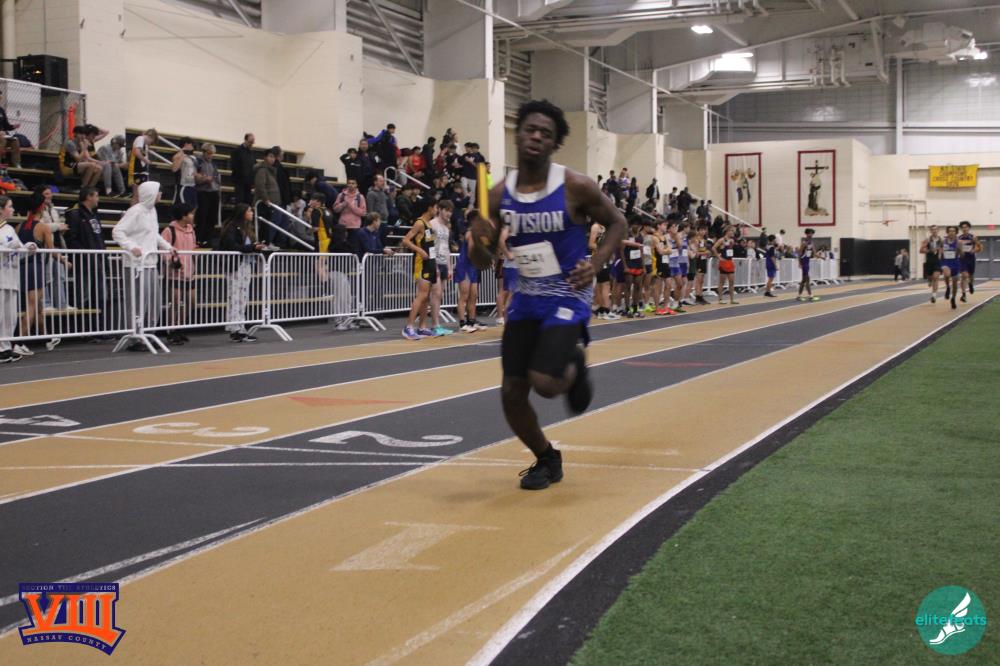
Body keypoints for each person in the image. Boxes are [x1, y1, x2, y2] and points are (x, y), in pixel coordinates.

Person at [478, 99, 625, 490]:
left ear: (555, 143)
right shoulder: (497, 195)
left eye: (545, 133)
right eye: (530, 129)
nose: (536, 137)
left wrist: (596, 263)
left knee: (544, 382)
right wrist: (479, 240)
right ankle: (546, 458)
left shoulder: (575, 186)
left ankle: (573, 363)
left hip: (567, 294)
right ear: (517, 135)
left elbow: (617, 222)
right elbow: (480, 259)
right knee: (512, 392)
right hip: (526, 298)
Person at [112, 181, 178, 349]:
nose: (160, 194)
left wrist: (169, 247)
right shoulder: (135, 211)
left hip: (150, 263)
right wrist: (131, 247)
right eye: (158, 191)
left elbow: (154, 235)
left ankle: (148, 333)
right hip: (135, 265)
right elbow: (117, 231)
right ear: (151, 193)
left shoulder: (152, 211)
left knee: (154, 301)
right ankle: (135, 337)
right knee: (137, 302)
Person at [218, 203, 266, 341]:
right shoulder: (231, 227)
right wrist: (252, 247)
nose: (252, 213)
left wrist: (256, 247)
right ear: (242, 212)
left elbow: (247, 246)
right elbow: (232, 246)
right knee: (234, 296)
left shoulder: (247, 228)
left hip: (246, 265)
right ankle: (235, 328)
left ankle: (241, 327)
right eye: (249, 211)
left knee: (243, 297)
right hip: (235, 265)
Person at [1, 195, 36, 362]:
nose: (13, 209)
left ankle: (5, 347)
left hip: (11, 279)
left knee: (10, 316)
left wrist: (27, 249)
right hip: (0, 279)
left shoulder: (9, 229)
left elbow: (18, 253)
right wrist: (7, 248)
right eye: (10, 206)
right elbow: (7, 249)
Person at [400, 200, 439, 340]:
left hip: (430, 262)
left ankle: (422, 327)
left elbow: (431, 245)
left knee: (426, 297)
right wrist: (420, 250)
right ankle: (408, 327)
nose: (437, 210)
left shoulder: (429, 224)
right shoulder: (419, 223)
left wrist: (435, 264)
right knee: (421, 295)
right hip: (421, 263)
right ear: (429, 208)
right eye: (436, 207)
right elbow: (406, 240)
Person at [161, 203, 197, 345]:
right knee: (175, 302)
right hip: (174, 273)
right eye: (191, 213)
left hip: (189, 272)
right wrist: (172, 261)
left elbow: (192, 248)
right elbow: (163, 249)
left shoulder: (191, 230)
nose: (193, 216)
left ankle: (180, 326)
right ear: (183, 216)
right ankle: (172, 330)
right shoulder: (169, 230)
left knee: (191, 302)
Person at [194, 143, 221, 247]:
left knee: (212, 217)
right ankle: (199, 239)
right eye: (209, 153)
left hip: (213, 192)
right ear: (204, 152)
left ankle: (207, 239)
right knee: (202, 216)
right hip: (202, 191)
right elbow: (194, 178)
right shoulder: (198, 163)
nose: (210, 156)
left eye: (212, 154)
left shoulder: (214, 164)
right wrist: (204, 179)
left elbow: (217, 178)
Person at [333, 177, 367, 255]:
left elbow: (363, 212)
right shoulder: (341, 195)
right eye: (349, 183)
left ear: (356, 185)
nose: (351, 185)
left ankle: (353, 262)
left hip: (355, 226)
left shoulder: (360, 197)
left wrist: (352, 206)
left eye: (353, 183)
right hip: (342, 225)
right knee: (341, 246)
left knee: (353, 247)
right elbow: (335, 209)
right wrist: (343, 204)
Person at [128, 128, 158, 203]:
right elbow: (136, 152)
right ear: (151, 137)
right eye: (151, 141)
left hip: (141, 170)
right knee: (137, 195)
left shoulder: (143, 142)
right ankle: (134, 210)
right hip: (137, 170)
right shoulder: (140, 139)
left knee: (140, 195)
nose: (150, 143)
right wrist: (146, 160)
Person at [713, 224, 738, 305]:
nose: (733, 232)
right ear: (727, 231)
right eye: (732, 231)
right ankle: (720, 299)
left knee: (732, 281)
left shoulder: (732, 240)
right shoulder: (722, 240)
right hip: (723, 262)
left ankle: (732, 299)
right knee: (722, 282)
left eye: (733, 231)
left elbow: (730, 250)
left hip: (730, 262)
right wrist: (718, 257)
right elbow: (713, 248)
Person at [171, 137, 198, 207]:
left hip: (192, 186)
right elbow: (174, 169)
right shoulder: (178, 155)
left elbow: (194, 173)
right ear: (186, 144)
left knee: (193, 208)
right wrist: (182, 152)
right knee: (182, 208)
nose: (193, 146)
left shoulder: (193, 157)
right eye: (191, 144)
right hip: (183, 186)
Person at [957, 220, 981, 300]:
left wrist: (974, 250)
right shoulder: (959, 238)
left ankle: (970, 284)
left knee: (971, 275)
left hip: (971, 258)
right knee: (964, 276)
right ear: (961, 229)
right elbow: (956, 249)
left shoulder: (973, 237)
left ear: (969, 228)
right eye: (963, 227)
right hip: (962, 259)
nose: (964, 229)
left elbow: (980, 247)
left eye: (966, 227)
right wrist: (960, 251)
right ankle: (963, 294)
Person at [231, 133, 256, 205]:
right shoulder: (237, 151)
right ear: (245, 140)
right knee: (240, 202)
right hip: (240, 181)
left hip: (248, 182)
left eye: (252, 142)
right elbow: (234, 166)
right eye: (250, 142)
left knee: (248, 202)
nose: (251, 144)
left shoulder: (251, 152)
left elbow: (254, 165)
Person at [920, 225, 943, 304]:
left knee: (936, 277)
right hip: (929, 261)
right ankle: (929, 280)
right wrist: (930, 250)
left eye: (936, 229)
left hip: (937, 261)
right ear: (930, 231)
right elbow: (921, 250)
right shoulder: (927, 240)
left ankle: (934, 295)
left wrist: (941, 253)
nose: (934, 231)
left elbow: (943, 249)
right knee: (930, 277)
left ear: (938, 230)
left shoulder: (941, 240)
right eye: (932, 229)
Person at [940, 225, 961, 310]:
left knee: (955, 283)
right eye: (950, 231)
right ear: (947, 232)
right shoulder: (943, 241)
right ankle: (948, 287)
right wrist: (940, 254)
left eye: (953, 231)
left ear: (956, 232)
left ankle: (953, 299)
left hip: (955, 262)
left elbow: (962, 254)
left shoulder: (959, 242)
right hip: (945, 261)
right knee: (947, 274)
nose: (951, 232)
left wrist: (959, 250)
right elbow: (940, 252)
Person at [0, 90, 22, 167]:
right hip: (1, 135)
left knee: (15, 141)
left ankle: (16, 163)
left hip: (2, 134)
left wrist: (13, 126)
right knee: (2, 139)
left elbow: (6, 125)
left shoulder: (1, 110)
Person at [797, 228, 819, 302]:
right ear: (806, 234)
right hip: (804, 262)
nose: (811, 235)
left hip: (807, 262)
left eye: (812, 233)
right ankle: (810, 296)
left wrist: (821, 257)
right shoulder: (804, 243)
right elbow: (799, 253)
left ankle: (799, 296)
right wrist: (799, 263)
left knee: (803, 280)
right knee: (807, 279)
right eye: (810, 233)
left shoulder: (811, 243)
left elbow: (815, 253)